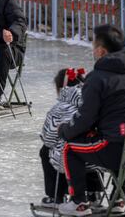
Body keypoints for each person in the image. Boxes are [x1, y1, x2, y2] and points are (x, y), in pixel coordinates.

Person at [57, 24, 125, 217]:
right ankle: (118, 200)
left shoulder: (97, 78)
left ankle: (78, 203)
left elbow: (85, 119)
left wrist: (65, 130)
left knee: (70, 148)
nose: (92, 50)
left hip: (118, 149)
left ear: (101, 51)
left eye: (93, 45)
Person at [39, 68, 102, 209]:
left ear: (61, 88)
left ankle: (56, 195)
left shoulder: (59, 109)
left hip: (70, 160)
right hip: (99, 157)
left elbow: (49, 139)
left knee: (47, 151)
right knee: (88, 145)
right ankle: (93, 193)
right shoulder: (94, 105)